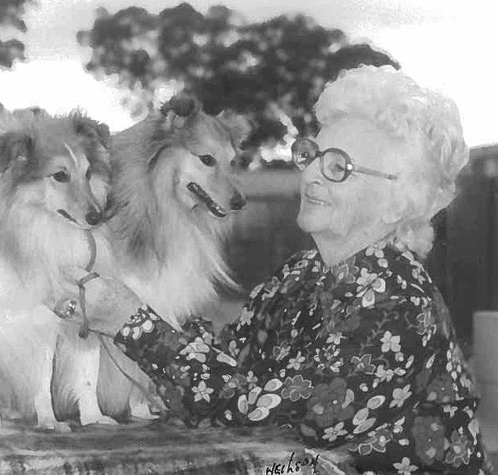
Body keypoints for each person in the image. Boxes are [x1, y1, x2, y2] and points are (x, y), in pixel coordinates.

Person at [85, 65, 493, 474]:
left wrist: (133, 323)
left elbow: (261, 414)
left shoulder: (400, 307)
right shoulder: (302, 275)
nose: (311, 172)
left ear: (397, 202)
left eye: (339, 167)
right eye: (312, 154)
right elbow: (223, 364)